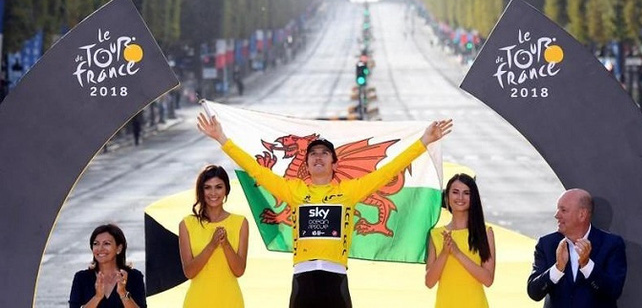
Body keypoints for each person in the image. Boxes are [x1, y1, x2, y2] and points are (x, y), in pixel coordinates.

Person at [197, 111, 453, 308]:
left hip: (336, 279)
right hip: (302, 278)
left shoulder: (350, 191)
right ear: (306, 163)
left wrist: (424, 141)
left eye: (324, 153)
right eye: (313, 154)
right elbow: (256, 170)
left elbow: (390, 169)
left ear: (334, 161)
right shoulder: (294, 190)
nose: (318, 157)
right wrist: (221, 138)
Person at [527, 188, 627, 308]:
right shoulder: (546, 244)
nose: (556, 215)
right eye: (557, 209)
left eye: (563, 210)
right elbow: (534, 292)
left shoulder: (611, 244)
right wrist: (557, 268)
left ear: (582, 214)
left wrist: (587, 265)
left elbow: (613, 291)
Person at [178, 165, 249, 308]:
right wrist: (212, 245)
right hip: (197, 301)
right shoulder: (187, 224)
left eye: (218, 187)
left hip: (230, 300)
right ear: (201, 191)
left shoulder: (240, 222)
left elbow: (239, 270)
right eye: (207, 187)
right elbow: (189, 272)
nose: (213, 193)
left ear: (226, 190)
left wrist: (226, 244)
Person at [424, 173, 495, 308]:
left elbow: (488, 279)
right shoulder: (436, 234)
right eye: (455, 192)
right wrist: (445, 252)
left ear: (473, 197)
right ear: (447, 197)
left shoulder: (485, 233)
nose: (460, 198)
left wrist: (457, 253)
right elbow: (429, 282)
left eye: (466, 193)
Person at [69, 224, 146, 308]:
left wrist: (123, 293)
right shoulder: (81, 278)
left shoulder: (134, 276)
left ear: (119, 248)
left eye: (106, 243)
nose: (100, 248)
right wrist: (97, 297)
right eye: (96, 244)